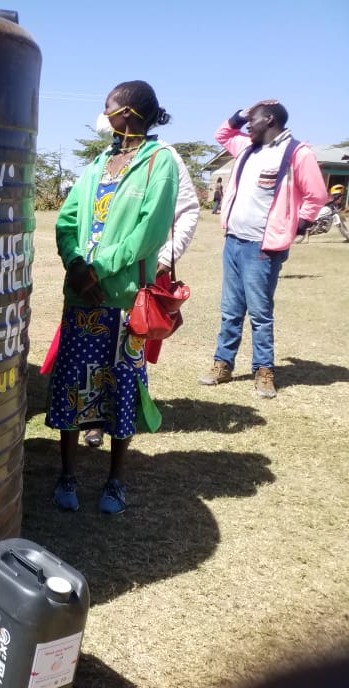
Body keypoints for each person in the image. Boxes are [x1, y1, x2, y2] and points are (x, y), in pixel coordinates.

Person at [48, 80, 178, 514]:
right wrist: (75, 264)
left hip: (123, 301)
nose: (104, 116)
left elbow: (150, 232)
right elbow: (67, 220)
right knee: (71, 383)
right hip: (83, 298)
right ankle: (67, 474)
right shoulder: (97, 164)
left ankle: (115, 481)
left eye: (108, 108)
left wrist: (99, 269)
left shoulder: (159, 164)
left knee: (122, 387)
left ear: (129, 114)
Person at [81, 119, 200, 448]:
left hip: (138, 273)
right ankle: (92, 419)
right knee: (91, 349)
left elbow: (187, 209)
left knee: (125, 351)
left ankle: (118, 417)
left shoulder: (164, 158)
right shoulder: (106, 157)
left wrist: (164, 258)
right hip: (98, 271)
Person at [198, 100, 327, 398]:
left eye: (252, 120)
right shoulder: (246, 147)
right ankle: (223, 364)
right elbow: (223, 135)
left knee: (259, 312)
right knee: (230, 310)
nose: (246, 126)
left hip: (262, 248)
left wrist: (298, 224)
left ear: (269, 119)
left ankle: (264, 371)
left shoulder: (296, 152)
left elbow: (316, 195)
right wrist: (241, 114)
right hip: (233, 242)